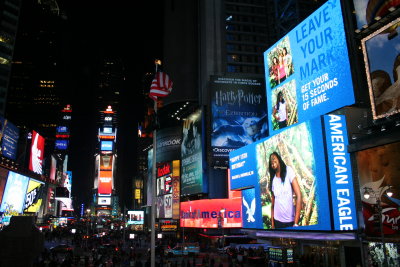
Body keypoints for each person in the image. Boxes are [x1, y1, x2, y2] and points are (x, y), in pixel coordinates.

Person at [268, 152, 302, 229]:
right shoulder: (273, 180)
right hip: (277, 221)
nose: (272, 161)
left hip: (290, 221)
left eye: (273, 158)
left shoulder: (288, 170)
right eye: (270, 162)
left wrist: (295, 223)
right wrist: (273, 224)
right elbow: (273, 204)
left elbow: (299, 195)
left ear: (279, 159)